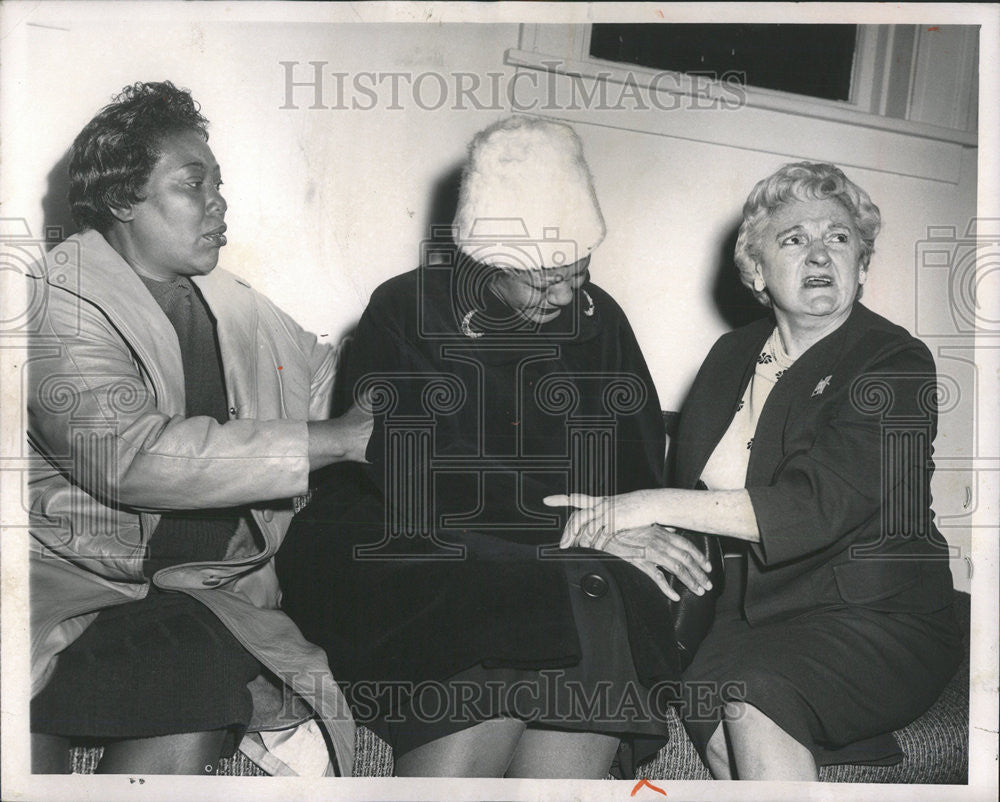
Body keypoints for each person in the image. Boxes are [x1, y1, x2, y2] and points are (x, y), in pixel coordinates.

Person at [276, 117, 720, 779]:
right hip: (413, 538)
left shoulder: (601, 320)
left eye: (577, 271)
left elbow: (636, 464)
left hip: (573, 551)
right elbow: (413, 472)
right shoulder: (406, 309)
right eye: (541, 281)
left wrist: (624, 519)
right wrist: (579, 527)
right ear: (483, 263)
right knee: (516, 588)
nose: (565, 294)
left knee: (606, 589)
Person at [548, 162, 963, 780]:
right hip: (746, 615)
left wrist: (645, 504)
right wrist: (628, 532)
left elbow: (814, 505)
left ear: (862, 263)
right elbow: (693, 491)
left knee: (754, 699)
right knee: (709, 712)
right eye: (794, 239)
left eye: (840, 238)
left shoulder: (895, 363)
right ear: (756, 270)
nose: (820, 253)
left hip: (875, 616)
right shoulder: (731, 355)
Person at [28, 81, 372, 776]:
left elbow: (333, 377)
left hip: (194, 595)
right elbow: (130, 453)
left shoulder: (240, 307)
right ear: (123, 199)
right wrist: (335, 439)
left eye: (219, 182)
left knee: (200, 647)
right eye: (193, 184)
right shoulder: (51, 302)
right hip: (64, 598)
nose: (219, 202)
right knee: (191, 656)